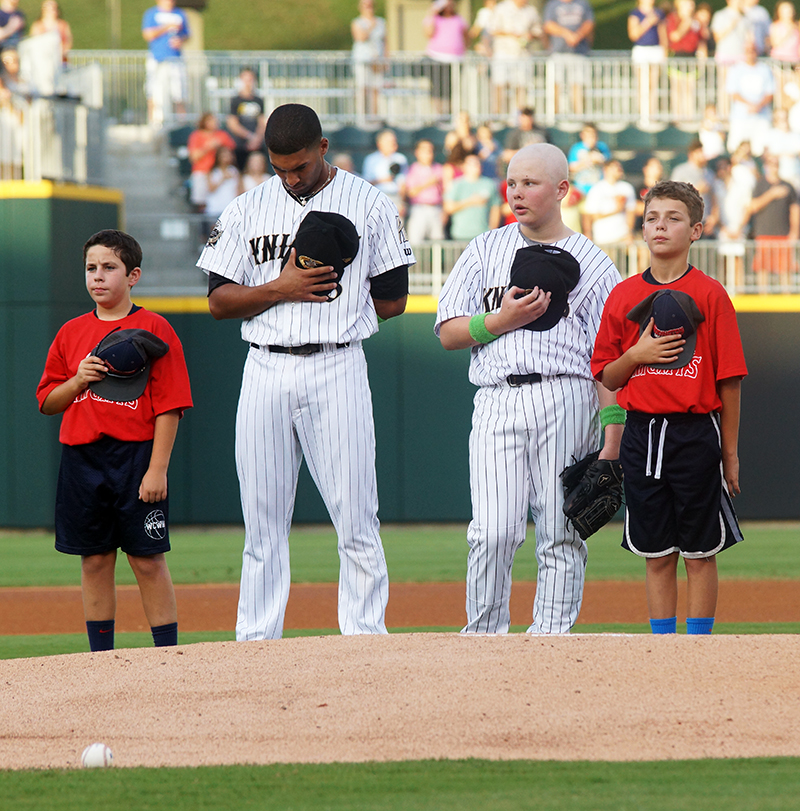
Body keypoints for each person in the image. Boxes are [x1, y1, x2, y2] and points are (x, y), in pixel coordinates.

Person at [196, 103, 415, 641]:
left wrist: (343, 277)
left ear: (322, 148)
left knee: (356, 516)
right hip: (266, 366)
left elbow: (393, 302)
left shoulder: (369, 202)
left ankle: (364, 636)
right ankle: (257, 639)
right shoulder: (249, 206)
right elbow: (219, 302)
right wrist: (283, 287)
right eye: (279, 167)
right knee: (262, 520)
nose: (290, 177)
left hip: (337, 361)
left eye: (299, 165)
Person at [435, 142, 623, 635]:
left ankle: (550, 644)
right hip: (496, 398)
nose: (517, 192)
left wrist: (610, 439)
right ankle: (483, 638)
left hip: (565, 395)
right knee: (493, 533)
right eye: (512, 182)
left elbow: (608, 361)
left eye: (530, 183)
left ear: (562, 189)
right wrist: (500, 321)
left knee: (562, 533)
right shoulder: (485, 248)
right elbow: (449, 332)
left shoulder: (595, 263)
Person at [591, 180, 747, 636]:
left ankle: (695, 651)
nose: (661, 226)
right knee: (656, 553)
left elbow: (730, 379)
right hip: (643, 433)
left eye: (674, 218)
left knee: (699, 552)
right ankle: (664, 651)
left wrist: (731, 453)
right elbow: (607, 375)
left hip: (696, 433)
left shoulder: (711, 294)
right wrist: (636, 356)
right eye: (652, 218)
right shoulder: (622, 296)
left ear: (696, 230)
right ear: (642, 230)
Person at [35, 229, 193, 652]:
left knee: (147, 559)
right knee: (95, 559)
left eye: (109, 268)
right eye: (91, 268)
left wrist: (157, 469)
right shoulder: (71, 333)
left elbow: (171, 405)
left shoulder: (155, 327)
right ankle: (101, 660)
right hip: (82, 458)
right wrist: (77, 380)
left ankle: (168, 655)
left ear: (133, 274)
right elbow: (49, 402)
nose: (98, 277)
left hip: (136, 458)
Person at [744, 152, 800, 286]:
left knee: (785, 269)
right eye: (771, 164)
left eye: (776, 164)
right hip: (764, 233)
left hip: (783, 234)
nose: (774, 167)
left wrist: (794, 232)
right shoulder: (760, 184)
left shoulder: (788, 185)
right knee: (763, 268)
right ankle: (762, 302)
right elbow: (753, 206)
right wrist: (772, 194)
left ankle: (786, 303)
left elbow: (795, 210)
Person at [489, 0, 542, 114]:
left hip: (523, 55)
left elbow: (538, 31)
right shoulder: (501, 8)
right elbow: (493, 29)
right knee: (500, 85)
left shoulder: (531, 11)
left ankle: (519, 116)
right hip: (504, 53)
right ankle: (498, 115)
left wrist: (530, 35)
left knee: (521, 87)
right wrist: (512, 34)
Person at [141, 0, 189, 127]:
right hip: (157, 58)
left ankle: (181, 125)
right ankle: (153, 123)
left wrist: (181, 40)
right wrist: (166, 27)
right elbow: (147, 34)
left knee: (179, 92)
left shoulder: (180, 13)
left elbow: (187, 34)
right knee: (153, 91)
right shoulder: (151, 13)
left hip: (175, 58)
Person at [543, 0, 595, 115]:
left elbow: (589, 22)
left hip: (578, 52)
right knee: (556, 84)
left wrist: (578, 35)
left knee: (578, 84)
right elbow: (548, 25)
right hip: (559, 52)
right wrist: (566, 34)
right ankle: (554, 115)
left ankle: (579, 115)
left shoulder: (582, 3)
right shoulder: (553, 5)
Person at [725, 39, 774, 156]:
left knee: (760, 148)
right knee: (736, 147)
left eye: (753, 50)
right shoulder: (736, 69)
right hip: (741, 115)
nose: (750, 53)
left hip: (761, 116)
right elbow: (733, 92)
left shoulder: (765, 69)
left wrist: (758, 106)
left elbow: (770, 92)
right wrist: (750, 105)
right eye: (748, 51)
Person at [423, 0, 469, 117]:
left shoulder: (459, 19)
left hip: (455, 60)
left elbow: (466, 36)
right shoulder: (435, 18)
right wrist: (432, 13)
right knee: (438, 89)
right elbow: (428, 33)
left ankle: (448, 114)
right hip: (437, 58)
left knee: (450, 90)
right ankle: (438, 115)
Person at [443, 152, 502, 240]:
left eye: (477, 163)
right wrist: (470, 201)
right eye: (472, 163)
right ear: (464, 166)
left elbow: (496, 208)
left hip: (483, 235)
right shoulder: (457, 184)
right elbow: (448, 208)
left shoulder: (489, 184)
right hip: (460, 235)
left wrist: (492, 230)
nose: (476, 166)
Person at [186, 112, 236, 212]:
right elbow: (194, 157)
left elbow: (231, 149)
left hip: (218, 171)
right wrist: (208, 147)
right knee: (201, 201)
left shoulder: (221, 135)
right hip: (202, 171)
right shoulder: (196, 136)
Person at [582, 159, 637, 248]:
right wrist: (588, 234)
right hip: (603, 238)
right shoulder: (597, 189)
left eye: (619, 167)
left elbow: (630, 212)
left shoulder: (626, 188)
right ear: (606, 170)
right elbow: (590, 215)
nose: (619, 169)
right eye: (615, 167)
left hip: (622, 237)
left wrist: (630, 232)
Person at [628, 0, 667, 121]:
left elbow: (663, 33)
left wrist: (665, 51)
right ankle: (643, 115)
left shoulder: (659, 13)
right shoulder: (635, 14)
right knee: (642, 85)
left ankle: (652, 115)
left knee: (653, 85)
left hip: (655, 50)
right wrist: (647, 22)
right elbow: (634, 34)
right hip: (641, 51)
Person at [670, 139, 719, 236]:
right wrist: (696, 190)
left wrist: (713, 217)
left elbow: (714, 198)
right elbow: (673, 196)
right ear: (691, 154)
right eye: (699, 152)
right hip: (687, 222)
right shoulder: (680, 172)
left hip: (705, 223)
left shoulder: (709, 174)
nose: (703, 155)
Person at [402, 138, 445, 243]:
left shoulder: (439, 168)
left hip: (436, 208)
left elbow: (445, 191)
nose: (428, 154)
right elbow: (411, 192)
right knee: (415, 241)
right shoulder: (413, 169)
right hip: (419, 208)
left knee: (437, 242)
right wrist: (429, 183)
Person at [226, 67, 267, 173]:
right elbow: (232, 123)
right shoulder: (235, 100)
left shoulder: (259, 100)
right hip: (241, 145)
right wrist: (249, 136)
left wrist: (257, 138)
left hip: (257, 144)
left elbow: (262, 121)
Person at [351, 0, 386, 119]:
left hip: (377, 60)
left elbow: (385, 41)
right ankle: (362, 117)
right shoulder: (357, 22)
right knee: (363, 89)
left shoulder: (381, 22)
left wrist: (386, 59)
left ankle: (375, 116)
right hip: (363, 60)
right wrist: (371, 25)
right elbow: (361, 37)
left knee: (376, 89)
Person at [362, 128, 409, 215]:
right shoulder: (371, 159)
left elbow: (403, 183)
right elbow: (366, 183)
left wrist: (402, 202)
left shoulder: (400, 158)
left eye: (394, 141)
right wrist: (383, 180)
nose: (393, 144)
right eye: (389, 142)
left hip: (395, 198)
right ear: (380, 143)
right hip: (377, 198)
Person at [567, 123, 612, 196]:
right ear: (582, 135)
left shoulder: (602, 147)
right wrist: (587, 161)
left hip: (599, 187)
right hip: (580, 187)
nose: (591, 137)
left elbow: (609, 165)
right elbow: (571, 168)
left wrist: (599, 160)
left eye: (593, 134)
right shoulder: (576, 148)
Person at [500, 107, 548, 172]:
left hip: (541, 167)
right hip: (522, 169)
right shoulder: (514, 134)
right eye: (524, 118)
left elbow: (550, 150)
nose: (527, 121)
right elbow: (507, 156)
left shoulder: (542, 132)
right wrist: (526, 150)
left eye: (529, 118)